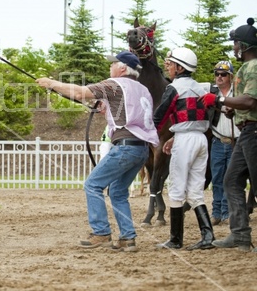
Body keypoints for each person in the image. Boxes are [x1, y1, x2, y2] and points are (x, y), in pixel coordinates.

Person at [37, 51, 159, 252]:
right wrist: (107, 108)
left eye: (113, 64)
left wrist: (51, 83)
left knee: (92, 185)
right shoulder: (142, 89)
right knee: (118, 192)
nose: (110, 67)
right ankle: (127, 238)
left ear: (122, 68)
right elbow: (128, 111)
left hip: (125, 147)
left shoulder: (113, 84)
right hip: (141, 149)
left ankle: (101, 233)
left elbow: (78, 92)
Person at [202, 18, 257, 252]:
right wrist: (233, 108)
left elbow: (251, 100)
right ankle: (240, 235)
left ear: (244, 45)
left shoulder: (254, 67)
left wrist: (220, 99)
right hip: (247, 132)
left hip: (254, 133)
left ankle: (241, 235)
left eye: (235, 43)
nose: (234, 48)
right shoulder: (247, 68)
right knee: (231, 180)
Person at [154, 47, 214, 250]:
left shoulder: (174, 88)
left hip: (185, 140)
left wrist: (147, 132)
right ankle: (207, 237)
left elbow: (160, 115)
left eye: (171, 64)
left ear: (180, 67)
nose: (169, 68)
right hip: (201, 140)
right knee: (196, 191)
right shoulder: (201, 88)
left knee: (177, 189)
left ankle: (176, 239)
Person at [208, 61, 240, 226]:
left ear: (230, 76)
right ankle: (216, 212)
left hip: (237, 141)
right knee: (217, 177)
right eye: (217, 73)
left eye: (223, 74)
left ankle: (227, 212)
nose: (219, 77)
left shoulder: (238, 92)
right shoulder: (211, 91)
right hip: (218, 141)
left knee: (231, 179)